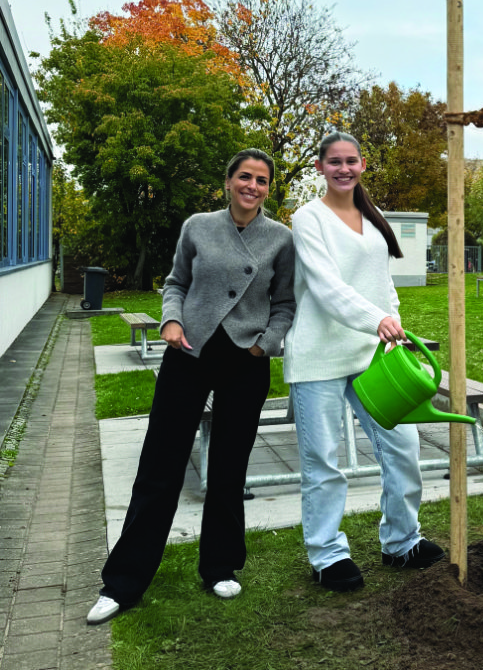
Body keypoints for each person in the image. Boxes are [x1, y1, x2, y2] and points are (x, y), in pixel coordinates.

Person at [87, 148, 296, 625]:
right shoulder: (197, 226)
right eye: (245, 177)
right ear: (228, 181)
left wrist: (265, 345)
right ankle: (122, 582)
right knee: (160, 464)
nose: (253, 186)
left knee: (228, 467)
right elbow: (175, 282)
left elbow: (285, 303)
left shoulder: (280, 239)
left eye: (262, 180)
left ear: (268, 188)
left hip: (246, 359)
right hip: (190, 350)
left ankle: (220, 565)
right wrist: (170, 321)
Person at [284, 131, 445, 593]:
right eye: (334, 161)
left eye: (351, 161)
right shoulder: (308, 218)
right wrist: (376, 319)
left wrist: (391, 322)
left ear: (363, 166)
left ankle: (401, 541)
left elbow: (382, 285)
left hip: (372, 354)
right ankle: (327, 554)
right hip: (318, 355)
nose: (343, 169)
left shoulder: (372, 221)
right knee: (323, 460)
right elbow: (325, 286)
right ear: (319, 167)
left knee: (403, 446)